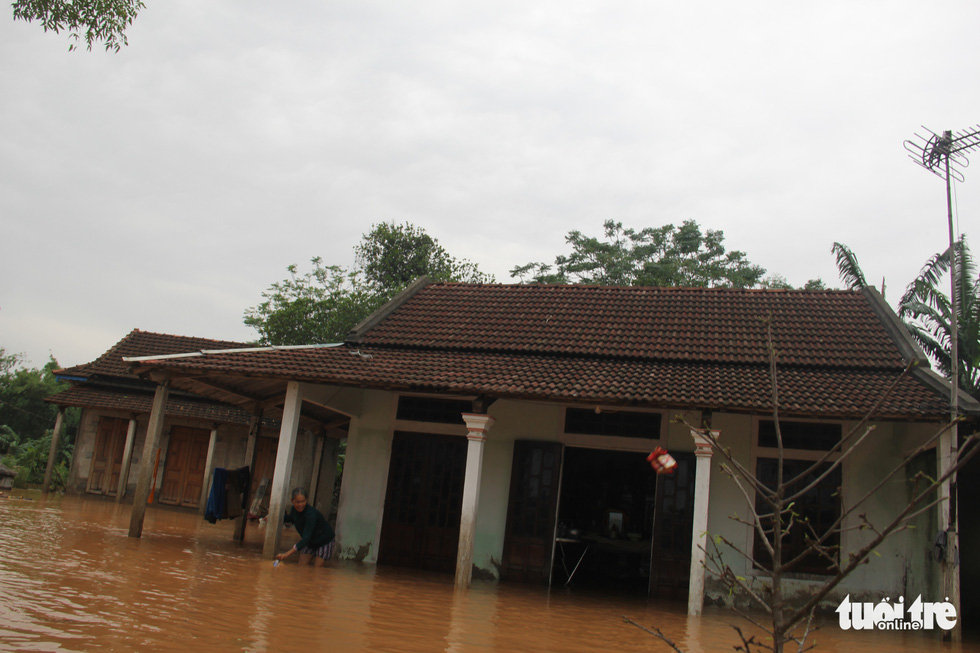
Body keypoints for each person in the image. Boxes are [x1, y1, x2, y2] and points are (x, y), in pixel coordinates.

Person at [276, 487, 335, 567]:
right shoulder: (294, 510)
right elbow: (290, 518)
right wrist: (274, 517)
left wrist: (286, 554)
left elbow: (306, 538)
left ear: (306, 500)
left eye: (303, 501)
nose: (300, 505)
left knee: (317, 570)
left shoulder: (310, 514)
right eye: (298, 502)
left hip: (324, 541)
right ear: (292, 501)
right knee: (301, 567)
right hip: (310, 541)